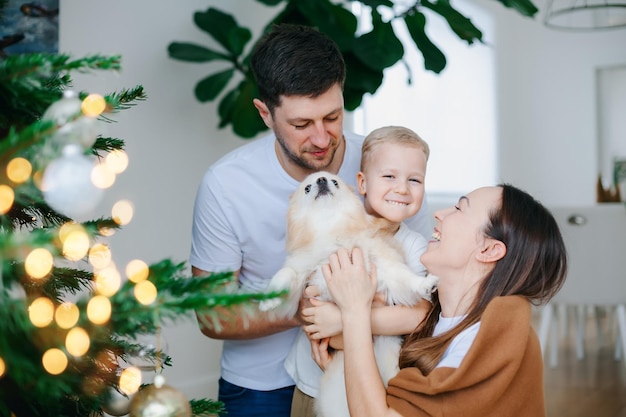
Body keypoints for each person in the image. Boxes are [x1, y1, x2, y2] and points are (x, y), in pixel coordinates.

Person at [189, 25, 432, 417]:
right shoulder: (226, 185)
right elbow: (212, 313)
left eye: (332, 117)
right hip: (260, 387)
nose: (321, 138)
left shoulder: (385, 167)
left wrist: (353, 313)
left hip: (370, 374)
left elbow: (423, 291)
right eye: (301, 125)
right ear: (265, 113)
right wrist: (306, 311)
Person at [308, 184, 568, 417]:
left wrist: (354, 310)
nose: (439, 213)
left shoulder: (493, 344)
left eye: (459, 208)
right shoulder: (435, 317)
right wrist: (350, 375)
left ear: (489, 249)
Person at [286, 125, 433, 417]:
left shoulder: (416, 245)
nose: (402, 188)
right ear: (362, 183)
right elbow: (317, 319)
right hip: (313, 384)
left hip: (373, 386)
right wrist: (362, 316)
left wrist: (341, 319)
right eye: (389, 176)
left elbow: (420, 316)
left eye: (414, 180)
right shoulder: (331, 228)